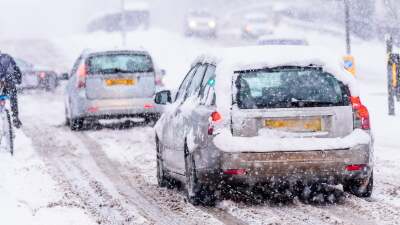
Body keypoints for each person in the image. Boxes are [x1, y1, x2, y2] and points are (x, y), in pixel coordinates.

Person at [0, 52, 22, 128]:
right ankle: (15, 117)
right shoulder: (7, 57)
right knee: (13, 96)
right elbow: (16, 69)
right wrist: (19, 80)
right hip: (9, 83)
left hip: (4, 82)